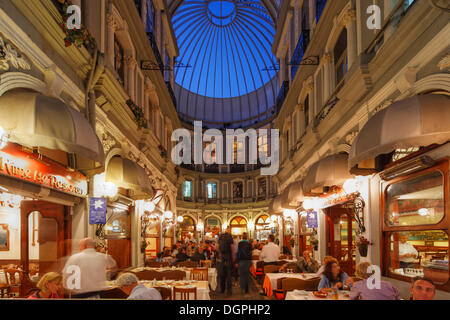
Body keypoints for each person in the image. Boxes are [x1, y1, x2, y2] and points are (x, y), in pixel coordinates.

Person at [217, 226, 234, 296]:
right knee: (229, 275)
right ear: (229, 229)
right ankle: (229, 291)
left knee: (222, 274)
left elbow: (217, 246)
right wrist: (233, 256)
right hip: (228, 256)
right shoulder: (230, 236)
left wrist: (220, 254)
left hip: (222, 257)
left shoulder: (221, 236)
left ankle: (222, 290)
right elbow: (232, 247)